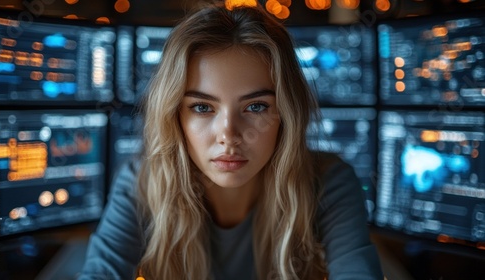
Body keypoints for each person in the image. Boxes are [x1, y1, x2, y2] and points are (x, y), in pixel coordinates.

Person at [80, 2, 384, 279]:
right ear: (175, 115)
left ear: (286, 113)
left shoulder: (329, 182)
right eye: (202, 107)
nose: (228, 135)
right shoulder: (141, 182)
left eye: (256, 107)